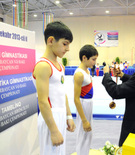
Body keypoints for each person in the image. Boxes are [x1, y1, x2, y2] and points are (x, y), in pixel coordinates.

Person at [33, 21, 75, 155]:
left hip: (61, 115)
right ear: (51, 40)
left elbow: (63, 93)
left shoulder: (60, 66)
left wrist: (68, 115)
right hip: (49, 118)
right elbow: (43, 101)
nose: (67, 48)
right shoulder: (43, 66)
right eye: (65, 43)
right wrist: (53, 130)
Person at [73, 44, 98, 155]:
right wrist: (83, 120)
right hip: (83, 104)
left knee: (88, 133)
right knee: (82, 133)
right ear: (84, 58)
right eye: (93, 59)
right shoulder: (79, 74)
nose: (95, 62)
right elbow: (76, 99)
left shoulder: (87, 71)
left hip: (89, 103)